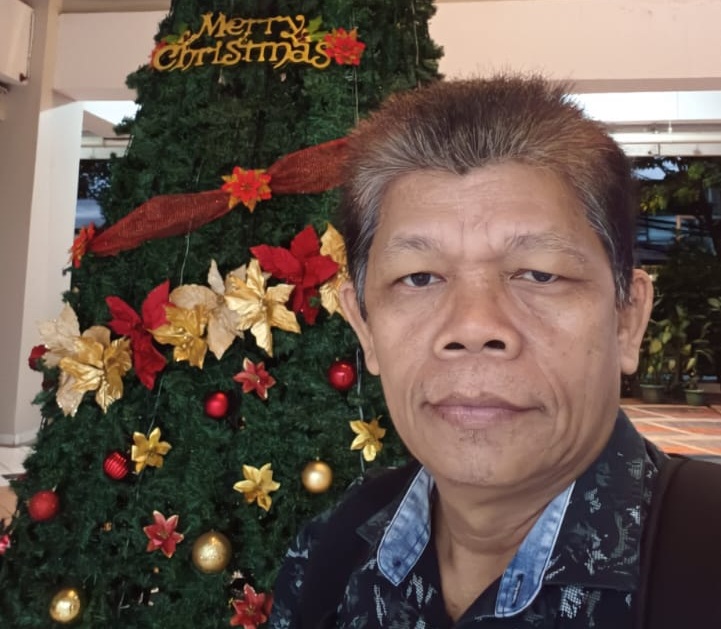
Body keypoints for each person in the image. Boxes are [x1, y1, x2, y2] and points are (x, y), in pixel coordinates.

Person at [269, 74, 662, 627]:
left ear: (626, 320)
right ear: (364, 326)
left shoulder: (699, 562)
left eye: (539, 274)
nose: (474, 326)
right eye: (419, 277)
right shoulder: (331, 552)